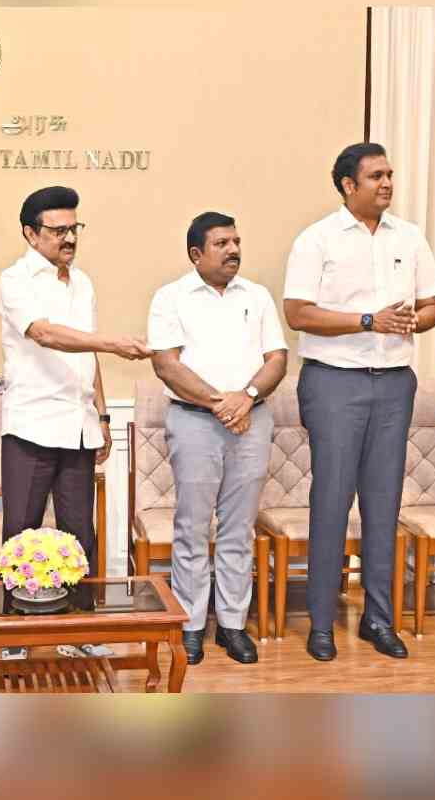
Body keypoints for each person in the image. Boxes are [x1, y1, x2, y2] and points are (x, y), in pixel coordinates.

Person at [282, 142, 435, 661]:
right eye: (376, 176)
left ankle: (379, 619)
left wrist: (415, 319)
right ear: (348, 185)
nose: (387, 183)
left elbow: (432, 306)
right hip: (335, 382)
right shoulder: (317, 239)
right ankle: (322, 624)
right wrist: (369, 320)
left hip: (394, 382)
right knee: (331, 502)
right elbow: (298, 313)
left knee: (384, 503)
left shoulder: (409, 236)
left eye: (390, 174)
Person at [0, 186, 149, 658]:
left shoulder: (82, 283)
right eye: (58, 230)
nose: (69, 238)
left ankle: (81, 631)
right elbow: (45, 334)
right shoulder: (15, 279)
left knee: (81, 534)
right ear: (30, 233)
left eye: (74, 228)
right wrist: (111, 343)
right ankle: (14, 637)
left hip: (78, 425)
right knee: (20, 531)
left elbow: (86, 355)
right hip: (31, 424)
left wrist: (102, 415)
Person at [147, 212, 288, 665]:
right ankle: (189, 624)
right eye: (222, 243)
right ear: (196, 253)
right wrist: (221, 404)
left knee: (238, 528)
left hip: (252, 419)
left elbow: (277, 359)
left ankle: (232, 624)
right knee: (191, 527)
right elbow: (166, 364)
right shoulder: (170, 297)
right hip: (194, 422)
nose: (233, 250)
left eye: (236, 242)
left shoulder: (257, 296)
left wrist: (246, 399)